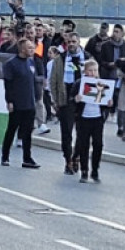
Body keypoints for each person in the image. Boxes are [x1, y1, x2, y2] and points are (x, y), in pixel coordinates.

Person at [2, 37, 42, 169]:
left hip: (29, 103)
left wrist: (36, 98)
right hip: (17, 102)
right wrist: (10, 101)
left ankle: (27, 158)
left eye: (32, 47)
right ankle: (5, 156)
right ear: (22, 49)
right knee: (12, 129)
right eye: (30, 48)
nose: (32, 50)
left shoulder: (31, 62)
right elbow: (8, 84)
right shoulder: (11, 64)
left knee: (27, 132)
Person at [50, 32, 86, 172]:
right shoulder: (60, 59)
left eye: (73, 41)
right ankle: (68, 159)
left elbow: (95, 77)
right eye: (69, 42)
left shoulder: (87, 57)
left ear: (78, 42)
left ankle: (77, 156)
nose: (71, 44)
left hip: (83, 98)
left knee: (82, 132)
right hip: (66, 98)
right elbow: (53, 80)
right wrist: (55, 100)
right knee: (66, 132)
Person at [74, 58, 111, 182]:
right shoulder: (80, 83)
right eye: (90, 70)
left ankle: (95, 170)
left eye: (95, 70)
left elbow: (106, 101)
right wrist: (76, 99)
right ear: (85, 71)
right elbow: (71, 100)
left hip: (97, 119)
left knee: (98, 145)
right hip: (83, 119)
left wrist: (109, 103)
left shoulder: (101, 83)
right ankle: (84, 170)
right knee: (84, 145)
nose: (93, 73)